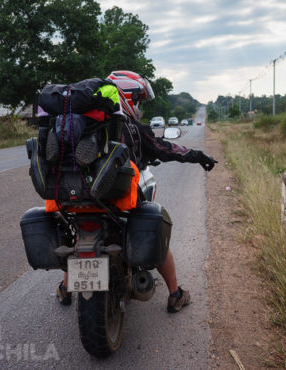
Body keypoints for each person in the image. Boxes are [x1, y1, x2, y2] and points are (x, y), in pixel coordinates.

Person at [57, 70, 217, 313]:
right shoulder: (133, 129)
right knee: (154, 232)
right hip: (119, 202)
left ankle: (64, 288)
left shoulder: (78, 126)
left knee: (82, 234)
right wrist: (198, 156)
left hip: (77, 197)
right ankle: (175, 294)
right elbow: (167, 148)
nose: (140, 108)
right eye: (138, 101)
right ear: (128, 98)